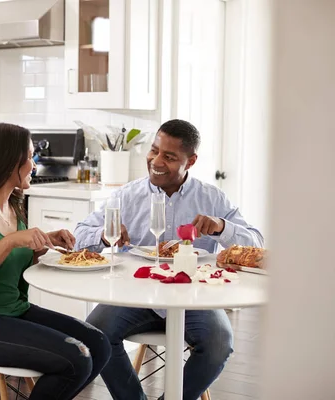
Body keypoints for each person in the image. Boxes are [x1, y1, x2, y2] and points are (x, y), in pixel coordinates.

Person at [74, 119, 264, 400]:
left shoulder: (212, 198)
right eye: (154, 151)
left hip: (194, 298)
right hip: (135, 295)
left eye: (170, 156)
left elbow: (256, 242)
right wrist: (104, 235)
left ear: (191, 160)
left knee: (219, 342)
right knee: (95, 334)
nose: (156, 161)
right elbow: (80, 233)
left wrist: (223, 227)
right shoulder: (127, 196)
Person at [0, 123, 111, 400]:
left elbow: (7, 263)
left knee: (99, 344)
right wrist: (10, 242)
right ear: (7, 162)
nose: (34, 163)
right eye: (29, 156)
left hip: (12, 310)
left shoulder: (12, 205)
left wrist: (41, 244)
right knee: (76, 358)